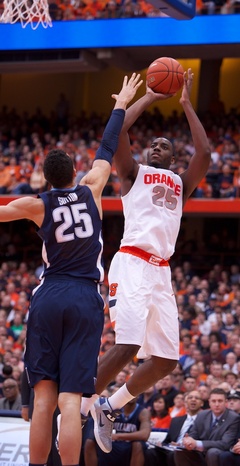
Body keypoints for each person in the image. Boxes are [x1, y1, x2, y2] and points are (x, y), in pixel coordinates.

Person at [0, 73, 143, 466]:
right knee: (70, 400)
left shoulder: (36, 204)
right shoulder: (91, 186)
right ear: (74, 172)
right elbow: (107, 146)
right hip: (84, 296)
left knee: (43, 397)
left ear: (45, 177)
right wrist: (120, 104)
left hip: (49, 296)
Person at [80, 68, 211, 454]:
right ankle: (79, 407)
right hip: (133, 262)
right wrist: (150, 97)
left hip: (161, 272)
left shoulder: (180, 184)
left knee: (167, 360)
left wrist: (186, 103)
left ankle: (109, 405)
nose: (156, 146)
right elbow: (118, 133)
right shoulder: (133, 173)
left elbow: (203, 152)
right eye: (152, 143)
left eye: (163, 145)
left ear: (172, 158)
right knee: (126, 345)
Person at [174, 388, 240, 466]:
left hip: (219, 451)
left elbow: (225, 444)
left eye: (220, 401)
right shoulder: (202, 415)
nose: (217, 404)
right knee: (180, 451)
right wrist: (188, 442)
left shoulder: (233, 418)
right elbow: (193, 434)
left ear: (226, 402)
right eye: (213, 401)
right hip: (200, 451)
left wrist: (198, 444)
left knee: (212, 452)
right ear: (209, 402)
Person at [84, 397, 151, 466]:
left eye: (136, 393)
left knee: (138, 445)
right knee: (90, 441)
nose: (133, 396)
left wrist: (117, 436)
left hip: (130, 445)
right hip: (113, 444)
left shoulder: (143, 412)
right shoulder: (114, 409)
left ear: (139, 395)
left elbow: (145, 434)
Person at [145, 390, 203, 466]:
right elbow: (168, 439)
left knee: (174, 454)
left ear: (202, 403)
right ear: (185, 403)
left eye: (197, 398)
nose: (193, 399)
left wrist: (181, 445)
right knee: (150, 452)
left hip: (190, 451)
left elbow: (202, 441)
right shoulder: (176, 420)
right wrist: (161, 444)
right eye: (190, 397)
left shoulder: (204, 421)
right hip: (171, 449)